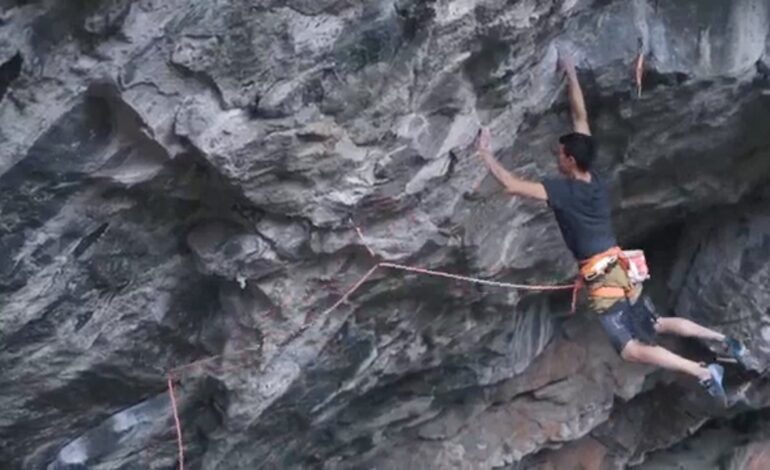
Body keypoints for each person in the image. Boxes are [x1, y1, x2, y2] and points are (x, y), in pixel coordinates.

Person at [474, 52, 745, 402]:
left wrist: (485, 154)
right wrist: (570, 71)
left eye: (560, 155)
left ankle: (704, 371)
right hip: (620, 267)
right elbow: (580, 115)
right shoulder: (595, 180)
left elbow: (511, 184)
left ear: (570, 161)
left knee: (631, 349)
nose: (557, 158)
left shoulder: (564, 190)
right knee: (656, 324)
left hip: (605, 278)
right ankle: (722, 341)